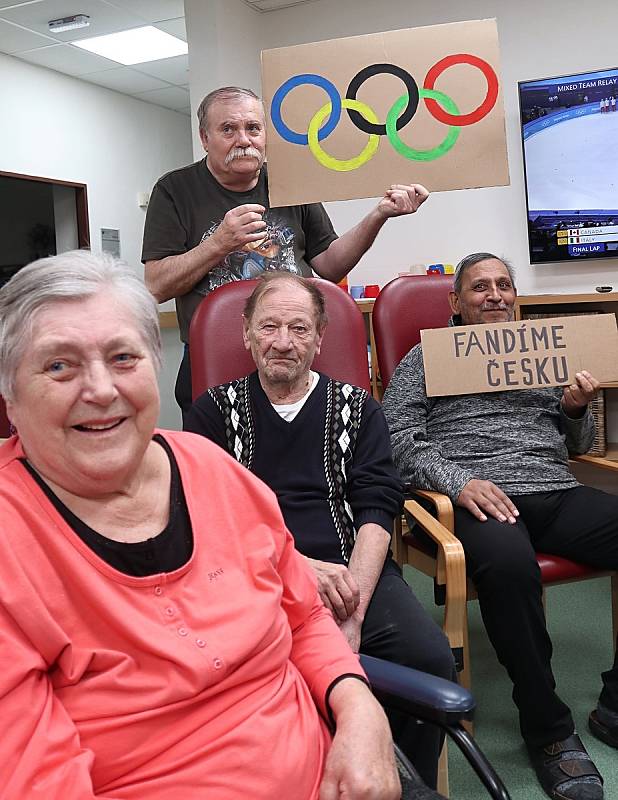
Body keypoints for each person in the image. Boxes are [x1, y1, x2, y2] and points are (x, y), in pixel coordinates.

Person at [0, 250, 406, 800]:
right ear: (10, 393)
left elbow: (304, 615)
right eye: (58, 365)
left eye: (123, 357)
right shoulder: (12, 536)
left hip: (325, 766)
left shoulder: (209, 467)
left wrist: (357, 707)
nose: (100, 389)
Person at [184, 271, 455, 789]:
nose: (282, 342)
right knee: (245, 679)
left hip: (355, 573)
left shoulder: (359, 408)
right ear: (246, 334)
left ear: (319, 337)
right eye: (269, 327)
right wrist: (299, 569)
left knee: (427, 660)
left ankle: (401, 779)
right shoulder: (211, 414)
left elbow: (379, 509)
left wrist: (353, 605)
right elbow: (205, 518)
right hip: (250, 579)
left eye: (299, 328)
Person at [382, 252, 618, 800]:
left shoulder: (542, 353)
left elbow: (580, 448)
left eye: (504, 285)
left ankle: (613, 706)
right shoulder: (427, 356)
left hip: (552, 489)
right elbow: (396, 438)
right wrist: (457, 481)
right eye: (480, 287)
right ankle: (549, 730)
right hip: (476, 499)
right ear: (456, 302)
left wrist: (577, 408)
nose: (495, 295)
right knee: (509, 568)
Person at [141, 85, 429, 418]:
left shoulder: (288, 182)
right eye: (228, 129)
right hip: (216, 354)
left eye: (253, 128)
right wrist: (219, 243)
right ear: (205, 138)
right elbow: (156, 285)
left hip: (295, 350)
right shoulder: (174, 190)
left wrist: (379, 215)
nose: (244, 140)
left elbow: (330, 264)